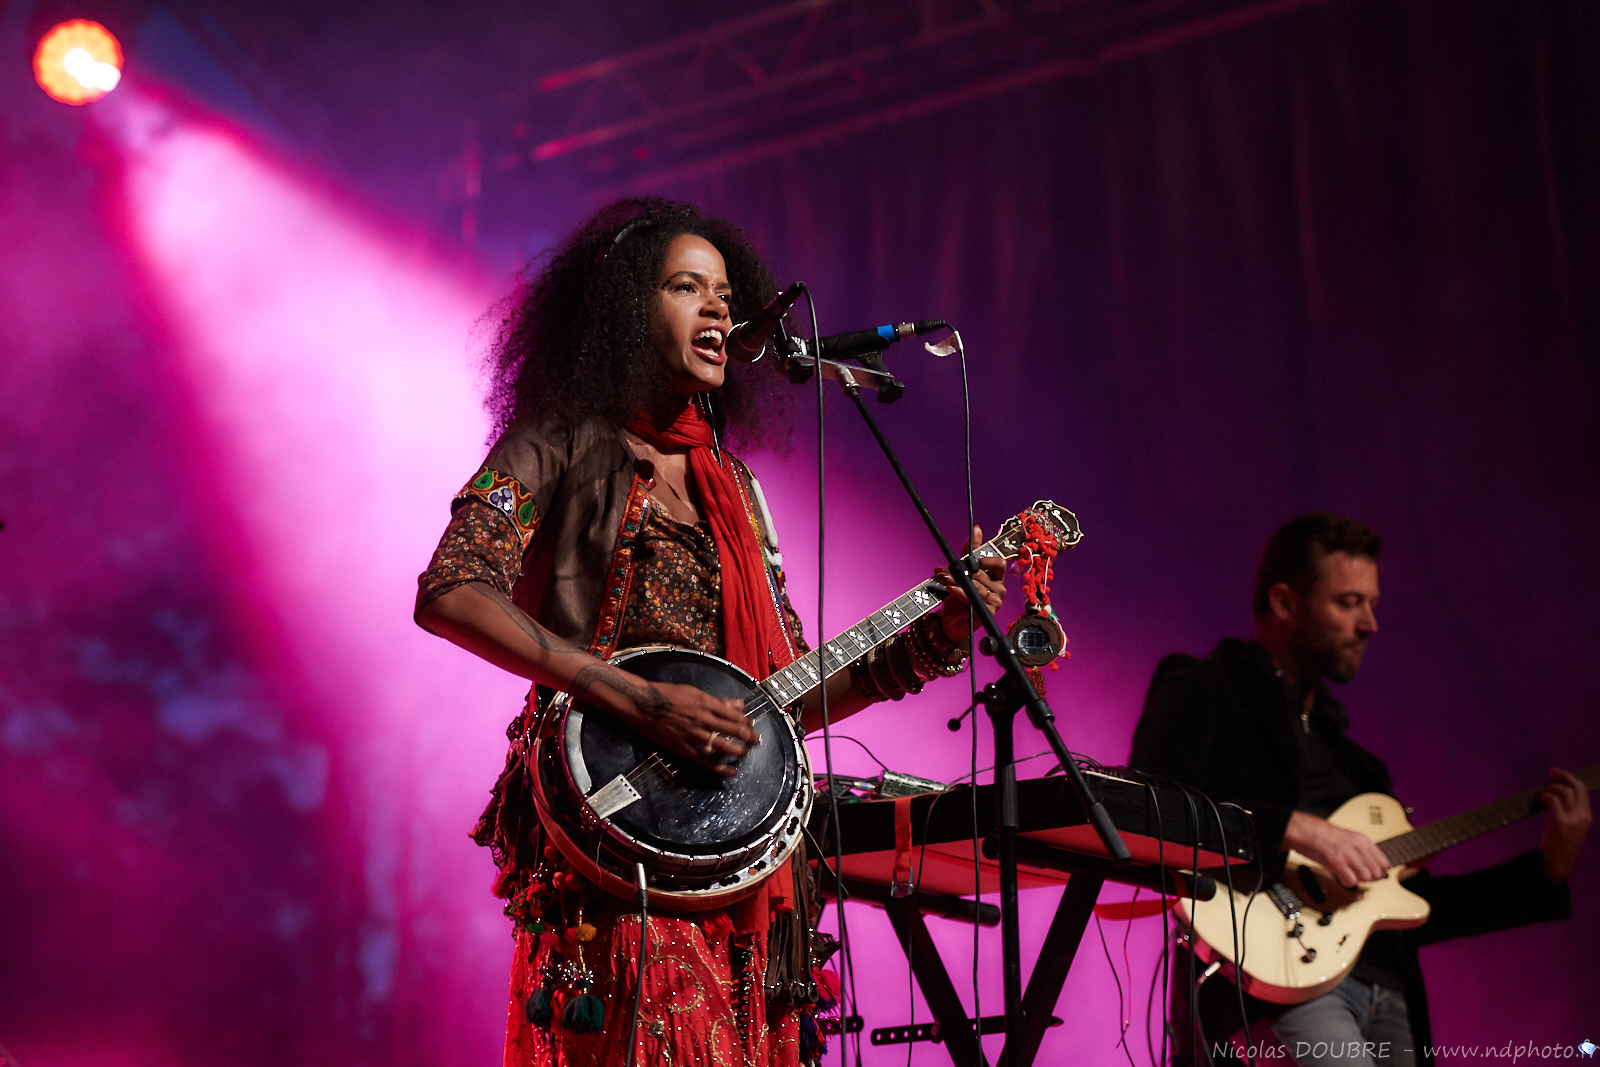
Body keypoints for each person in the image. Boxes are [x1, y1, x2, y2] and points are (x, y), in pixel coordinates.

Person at [413, 197, 1005, 1067]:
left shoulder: (736, 491)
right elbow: (451, 590)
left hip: (740, 859)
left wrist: (937, 633)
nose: (720, 310)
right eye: (688, 287)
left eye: (726, 294)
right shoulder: (556, 440)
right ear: (626, 308)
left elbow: (781, 703)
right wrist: (640, 700)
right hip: (616, 845)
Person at [1129, 513, 1590, 1067]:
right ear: (1285, 603)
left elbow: (1413, 907)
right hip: (1270, 985)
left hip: (1387, 989)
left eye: (1371, 604)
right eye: (1348, 603)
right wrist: (1296, 829)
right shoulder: (1207, 686)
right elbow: (1150, 807)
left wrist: (1545, 871)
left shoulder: (1359, 767)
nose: (1370, 623)